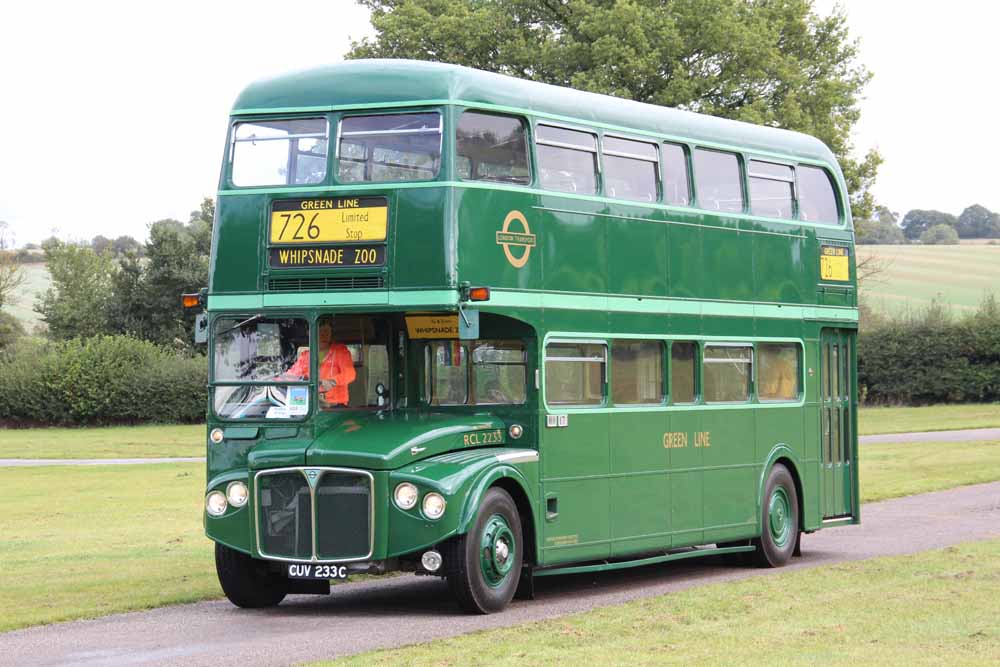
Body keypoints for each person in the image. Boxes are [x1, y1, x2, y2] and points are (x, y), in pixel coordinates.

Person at [284, 322, 356, 406]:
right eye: (320, 331)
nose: (323, 334)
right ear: (311, 333)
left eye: (326, 331)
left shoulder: (340, 352)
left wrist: (332, 381)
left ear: (331, 333)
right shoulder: (306, 355)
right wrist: (277, 379)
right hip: (310, 404)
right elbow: (292, 374)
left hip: (335, 405)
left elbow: (350, 374)